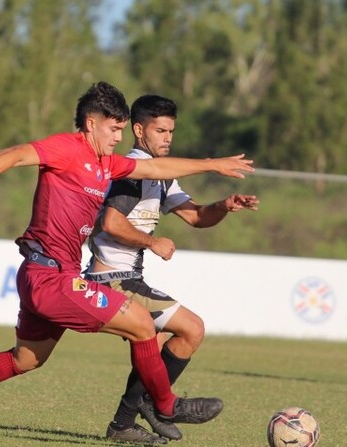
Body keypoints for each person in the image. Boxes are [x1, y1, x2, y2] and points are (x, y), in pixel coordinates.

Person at [0, 81, 255, 440]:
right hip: (49, 277)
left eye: (122, 130)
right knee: (141, 323)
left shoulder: (106, 164)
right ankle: (166, 406)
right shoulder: (67, 148)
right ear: (91, 123)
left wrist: (213, 164)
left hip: (51, 273)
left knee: (26, 359)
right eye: (114, 129)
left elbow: (156, 170)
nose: (118, 138)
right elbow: (17, 154)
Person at [84, 94, 259, 443]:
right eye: (160, 130)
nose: (167, 137)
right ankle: (158, 404)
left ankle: (125, 422)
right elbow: (110, 222)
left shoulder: (162, 176)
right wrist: (152, 242)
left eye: (171, 131)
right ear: (138, 130)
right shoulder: (134, 172)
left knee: (154, 343)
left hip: (129, 279)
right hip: (111, 280)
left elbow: (196, 216)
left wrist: (224, 205)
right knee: (191, 329)